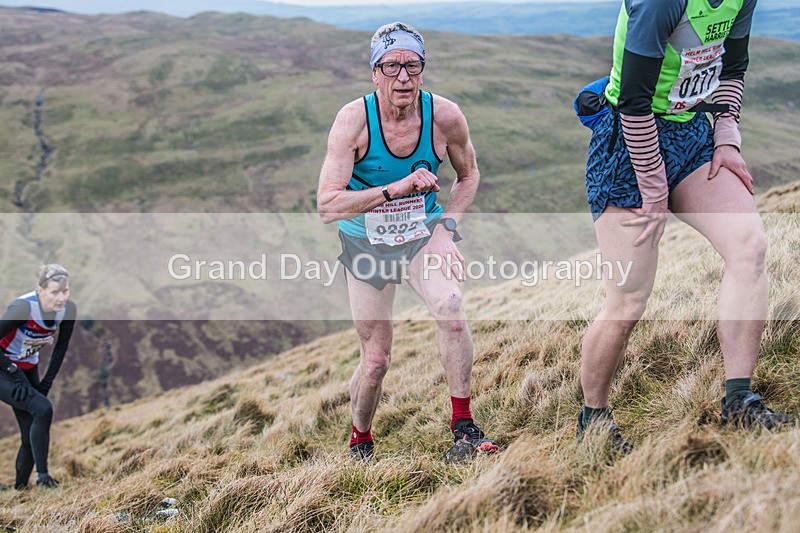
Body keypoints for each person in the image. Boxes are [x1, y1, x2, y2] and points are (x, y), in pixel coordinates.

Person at [575, 0, 792, 452]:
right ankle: (593, 419)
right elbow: (634, 102)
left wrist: (727, 136)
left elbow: (733, 66)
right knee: (628, 300)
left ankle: (740, 401)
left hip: (691, 133)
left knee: (748, 246)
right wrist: (654, 190)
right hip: (628, 144)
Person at [317, 22, 498, 459]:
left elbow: (469, 175)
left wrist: (446, 228)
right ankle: (360, 438)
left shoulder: (445, 116)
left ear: (422, 68)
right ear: (375, 72)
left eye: (412, 66)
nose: (403, 77)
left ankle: (464, 426)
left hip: (422, 236)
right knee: (376, 360)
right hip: (366, 244)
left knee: (452, 311)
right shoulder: (354, 120)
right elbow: (327, 206)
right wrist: (394, 190)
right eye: (392, 66)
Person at [0, 264, 76, 489]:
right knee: (43, 409)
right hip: (3, 367)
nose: (61, 298)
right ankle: (43, 477)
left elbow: (61, 348)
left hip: (27, 367)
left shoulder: (68, 310)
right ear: (40, 290)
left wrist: (46, 383)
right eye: (54, 292)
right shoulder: (23, 308)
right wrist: (13, 371)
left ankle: (20, 489)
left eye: (65, 291)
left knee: (32, 428)